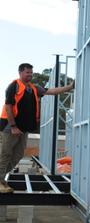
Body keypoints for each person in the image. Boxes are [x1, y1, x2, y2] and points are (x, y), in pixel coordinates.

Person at [0, 63, 74, 193]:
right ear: (20, 72)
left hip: (23, 128)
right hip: (10, 127)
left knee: (18, 155)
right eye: (27, 72)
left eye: (31, 73)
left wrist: (69, 87)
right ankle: (0, 181)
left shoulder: (34, 88)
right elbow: (8, 106)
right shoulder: (14, 86)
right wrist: (13, 126)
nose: (30, 75)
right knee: (6, 154)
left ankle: (0, 178)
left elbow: (51, 91)